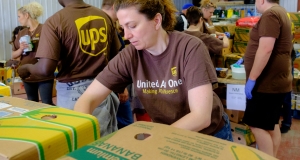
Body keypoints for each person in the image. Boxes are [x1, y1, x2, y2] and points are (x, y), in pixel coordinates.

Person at [74, 0, 233, 142]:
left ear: (156, 21)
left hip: (208, 137)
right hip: (168, 135)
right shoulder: (131, 55)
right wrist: (82, 135)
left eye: (132, 26)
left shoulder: (190, 48)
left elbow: (201, 117)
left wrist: (154, 140)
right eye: (123, 27)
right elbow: (88, 98)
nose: (127, 36)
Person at [17, 0, 122, 136]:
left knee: (79, 142)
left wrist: (26, 68)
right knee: (104, 142)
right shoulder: (103, 16)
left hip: (73, 92)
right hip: (102, 87)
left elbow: (45, 69)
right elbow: (115, 57)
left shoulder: (55, 21)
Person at [242, 0, 293, 157]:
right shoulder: (280, 11)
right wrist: (247, 57)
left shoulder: (270, 14)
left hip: (266, 84)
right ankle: (272, 156)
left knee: (257, 125)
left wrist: (252, 78)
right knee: (271, 125)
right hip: (276, 81)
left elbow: (266, 49)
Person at [12, 2, 55, 105]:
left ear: (27, 15)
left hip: (44, 73)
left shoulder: (45, 29)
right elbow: (13, 55)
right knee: (32, 102)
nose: (18, 19)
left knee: (47, 102)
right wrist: (21, 49)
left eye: (19, 16)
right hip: (27, 74)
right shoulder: (22, 33)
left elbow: (53, 49)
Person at [101, 0, 133, 129]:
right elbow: (113, 59)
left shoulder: (100, 24)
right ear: (115, 7)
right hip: (114, 83)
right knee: (125, 124)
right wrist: (121, 87)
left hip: (107, 83)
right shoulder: (107, 26)